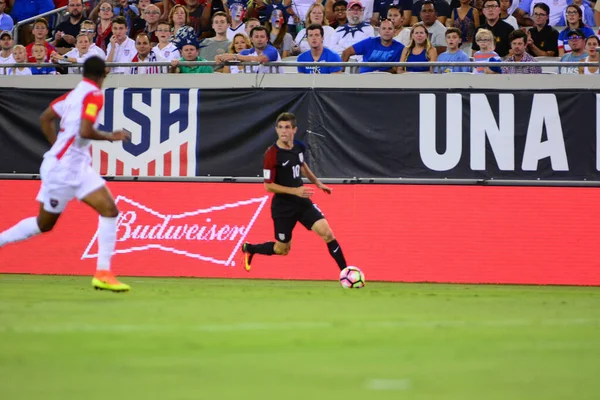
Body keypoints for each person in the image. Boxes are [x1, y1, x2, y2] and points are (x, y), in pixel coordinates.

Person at [0, 57, 132, 292]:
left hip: (76, 166)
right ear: (103, 74)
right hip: (64, 169)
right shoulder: (94, 95)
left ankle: (103, 272)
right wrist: (112, 135)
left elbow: (46, 117)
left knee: (110, 210)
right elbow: (84, 131)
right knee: (44, 224)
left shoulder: (73, 94)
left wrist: (55, 147)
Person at [241, 112, 348, 273]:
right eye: (280, 127)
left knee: (327, 234)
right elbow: (268, 186)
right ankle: (250, 248)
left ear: (294, 130)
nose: (283, 131)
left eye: (287, 127)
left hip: (302, 202)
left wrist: (317, 182)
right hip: (283, 207)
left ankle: (346, 273)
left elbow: (302, 165)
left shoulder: (299, 147)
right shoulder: (271, 155)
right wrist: (295, 191)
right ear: (276, 130)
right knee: (282, 249)